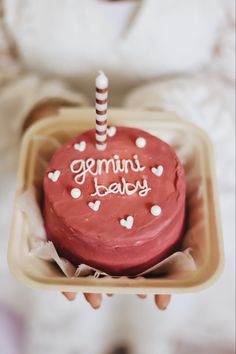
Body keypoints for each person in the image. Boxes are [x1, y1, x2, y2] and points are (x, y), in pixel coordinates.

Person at [0, 1, 235, 354]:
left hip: (186, 168)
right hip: (46, 173)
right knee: (68, 319)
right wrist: (41, 112)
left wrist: (166, 120)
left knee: (159, 319)